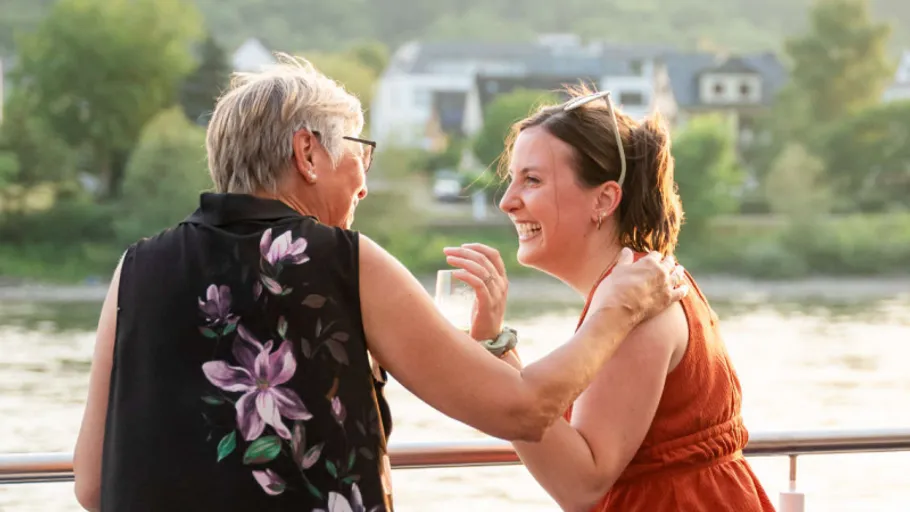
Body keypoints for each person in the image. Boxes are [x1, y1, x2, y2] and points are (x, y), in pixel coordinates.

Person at [71, 56, 687, 512]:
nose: (364, 184)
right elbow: (521, 409)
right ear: (307, 153)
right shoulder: (342, 261)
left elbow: (92, 484)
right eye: (360, 153)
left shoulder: (135, 268)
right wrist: (618, 308)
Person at [481, 87, 774, 511]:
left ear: (604, 199)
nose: (507, 201)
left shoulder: (639, 303)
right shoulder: (638, 285)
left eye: (532, 180)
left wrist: (495, 351)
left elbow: (581, 484)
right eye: (512, 179)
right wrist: (495, 345)